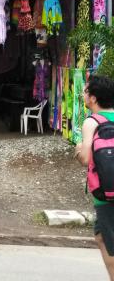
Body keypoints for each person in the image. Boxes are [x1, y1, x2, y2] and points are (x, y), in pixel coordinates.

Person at [75, 75, 114, 281]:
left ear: (93, 98)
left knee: (111, 244)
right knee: (100, 236)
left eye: (85, 91)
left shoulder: (92, 122)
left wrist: (79, 149)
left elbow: (85, 159)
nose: (83, 94)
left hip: (105, 193)